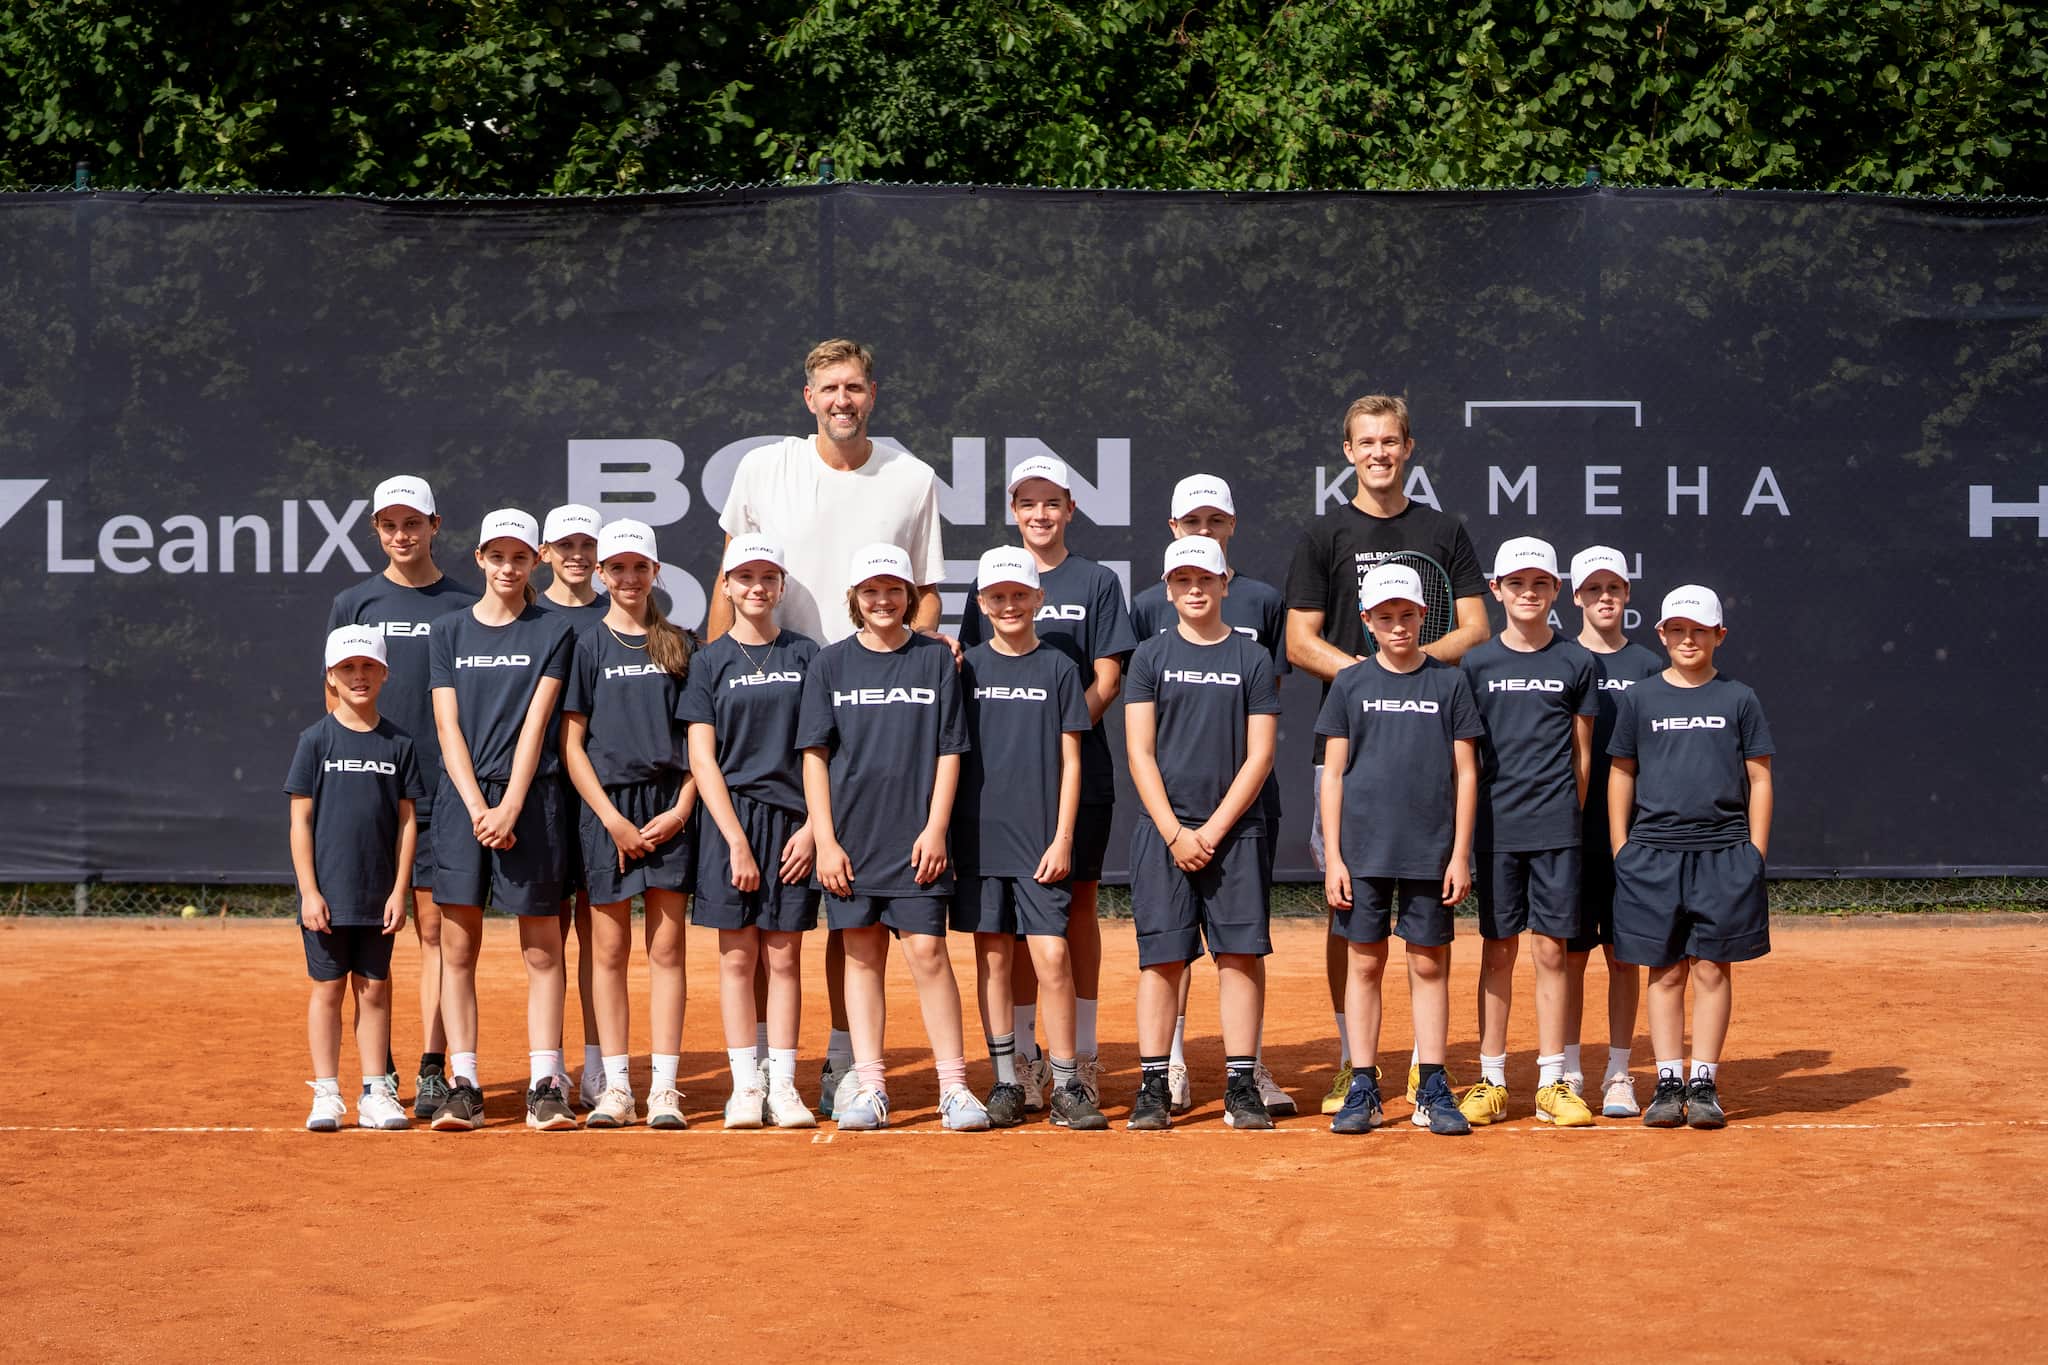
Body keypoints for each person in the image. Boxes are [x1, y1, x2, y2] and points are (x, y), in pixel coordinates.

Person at [712, 338, 947, 1115]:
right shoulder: (762, 468)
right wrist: (715, 681)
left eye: (854, 387)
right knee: (759, 913)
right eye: (828, 388)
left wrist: (911, 662)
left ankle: (844, 1060)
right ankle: (758, 1072)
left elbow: (927, 592)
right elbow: (729, 575)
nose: (842, 399)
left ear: (872, 394)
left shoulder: (912, 477)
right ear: (808, 397)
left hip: (861, 715)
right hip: (766, 705)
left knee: (846, 902)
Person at [1285, 395, 1489, 1112]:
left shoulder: (1443, 529)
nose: (1379, 452)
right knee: (1350, 909)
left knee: (1427, 943)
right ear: (1348, 452)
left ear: (1408, 448)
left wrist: (1411, 670)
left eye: (1390, 440)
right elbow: (1299, 641)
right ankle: (1355, 1062)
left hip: (1428, 748)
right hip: (1347, 746)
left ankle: (1427, 1074)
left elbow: (1475, 625)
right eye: (1366, 442)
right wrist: (1369, 679)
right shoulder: (1324, 533)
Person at [958, 454, 1136, 1112]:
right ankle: (1020, 1064)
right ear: (1014, 509)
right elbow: (969, 671)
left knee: (1072, 909)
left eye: (1052, 501)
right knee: (1004, 934)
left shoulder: (1097, 581)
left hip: (1074, 774)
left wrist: (1054, 730)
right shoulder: (990, 584)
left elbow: (1108, 680)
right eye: (1027, 502)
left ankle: (1078, 1059)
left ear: (1070, 507)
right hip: (1002, 796)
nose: (1040, 513)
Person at [797, 544, 987, 1132]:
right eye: (871, 591)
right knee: (860, 955)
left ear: (910, 597)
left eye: (894, 590)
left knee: (928, 952)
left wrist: (936, 828)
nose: (883, 600)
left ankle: (954, 1088)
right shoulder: (829, 663)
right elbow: (814, 756)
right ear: (855, 598)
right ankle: (872, 1086)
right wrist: (826, 840)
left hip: (916, 840)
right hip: (851, 842)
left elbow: (950, 749)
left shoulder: (936, 661)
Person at [1129, 473, 1290, 1117]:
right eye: (1182, 580)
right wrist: (1174, 832)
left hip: (1235, 832)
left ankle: (1241, 1086)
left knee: (1239, 957)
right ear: (1167, 588)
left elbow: (1261, 754)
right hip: (1163, 833)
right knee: (1163, 960)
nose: (1195, 589)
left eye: (1205, 578)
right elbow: (1140, 752)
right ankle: (1152, 1086)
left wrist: (1214, 830)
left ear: (1225, 582)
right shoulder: (1148, 656)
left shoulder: (1252, 658)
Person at [325, 475, 478, 1120]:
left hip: (442, 795)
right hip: (371, 795)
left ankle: (433, 1068)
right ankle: (377, 1071)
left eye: (413, 522)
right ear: (376, 531)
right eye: (389, 525)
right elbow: (335, 700)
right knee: (370, 931)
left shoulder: (466, 605)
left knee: (435, 931)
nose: (401, 534)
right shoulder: (354, 603)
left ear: (435, 525)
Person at [425, 509, 579, 1132]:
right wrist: (477, 808)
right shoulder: (448, 631)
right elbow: (447, 727)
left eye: (520, 557)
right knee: (457, 950)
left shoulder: (554, 632)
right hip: (463, 805)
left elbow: (537, 724)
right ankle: (464, 1085)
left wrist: (511, 804)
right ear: (480, 559)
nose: (508, 567)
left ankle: (545, 1085)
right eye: (497, 556)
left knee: (542, 949)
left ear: (535, 560)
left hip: (531, 802)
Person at [1316, 564, 1482, 1137]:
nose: (1397, 625)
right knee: (1364, 962)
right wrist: (1335, 858)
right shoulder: (1350, 684)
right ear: (1367, 621)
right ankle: (1363, 1085)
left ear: (1423, 615)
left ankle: (1432, 1085)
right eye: (1385, 617)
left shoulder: (1449, 683)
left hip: (1431, 852)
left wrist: (1459, 854)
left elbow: (1466, 773)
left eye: (1407, 614)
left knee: (1428, 963)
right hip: (1362, 853)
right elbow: (1332, 776)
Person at [1607, 585, 1775, 1131]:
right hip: (1653, 854)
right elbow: (1622, 772)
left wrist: (1754, 852)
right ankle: (1668, 1081)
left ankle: (1704, 1083)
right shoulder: (1640, 698)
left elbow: (1760, 777)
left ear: (1719, 635)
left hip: (1724, 853)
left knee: (1711, 967)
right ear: (1661, 634)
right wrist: (1621, 847)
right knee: (1664, 970)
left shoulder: (1739, 698)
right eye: (1677, 630)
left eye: (1699, 630)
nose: (1687, 639)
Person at [952, 548, 1104, 1130]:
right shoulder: (964, 669)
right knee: (993, 959)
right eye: (997, 596)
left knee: (1052, 956)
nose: (1009, 605)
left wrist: (1063, 837)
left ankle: (1066, 1085)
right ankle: (1007, 1081)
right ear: (981, 603)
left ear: (1039, 598)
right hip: (979, 841)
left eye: (1020, 594)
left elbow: (1073, 761)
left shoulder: (1060, 668)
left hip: (1042, 841)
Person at [1456, 538, 1599, 1129]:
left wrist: (1562, 815)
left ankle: (1550, 1081)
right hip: (1496, 833)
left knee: (1551, 951)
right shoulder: (1476, 665)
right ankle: (1491, 1079)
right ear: (1497, 590)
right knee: (1498, 950)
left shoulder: (1577, 663)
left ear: (1556, 590)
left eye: (1540, 583)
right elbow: (1466, 759)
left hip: (1556, 832)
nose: (1528, 593)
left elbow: (1581, 756)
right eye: (1516, 583)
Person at [561, 519, 698, 1130]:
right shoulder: (585, 646)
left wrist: (682, 809)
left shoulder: (682, 645)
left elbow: (700, 747)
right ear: (601, 574)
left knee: (666, 950)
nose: (629, 577)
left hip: (670, 809)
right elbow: (572, 746)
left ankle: (664, 1089)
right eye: (617, 567)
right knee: (609, 952)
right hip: (607, 814)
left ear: (655, 571)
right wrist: (612, 820)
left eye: (640, 567)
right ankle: (616, 1088)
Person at [681, 535, 822, 1131]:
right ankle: (745, 1087)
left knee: (784, 957)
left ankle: (783, 1086)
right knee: (737, 957)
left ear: (781, 586)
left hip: (792, 824)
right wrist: (735, 840)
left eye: (768, 577)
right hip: (728, 822)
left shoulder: (807, 655)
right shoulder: (708, 660)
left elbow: (823, 749)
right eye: (745, 578)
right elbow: (702, 758)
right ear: (727, 587)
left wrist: (814, 827)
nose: (757, 587)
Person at [287, 625, 423, 1131]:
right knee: (327, 990)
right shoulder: (314, 741)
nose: (358, 676)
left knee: (374, 990)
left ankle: (375, 1092)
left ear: (384, 673)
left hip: (378, 895)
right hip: (327, 896)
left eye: (368, 667)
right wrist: (310, 892)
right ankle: (326, 1093)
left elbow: (407, 822)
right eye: (347, 668)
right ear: (330, 676)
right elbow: (300, 821)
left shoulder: (400, 743)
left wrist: (399, 891)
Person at [1564, 545, 1664, 1117]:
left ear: (1627, 594)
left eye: (1615, 588)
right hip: (1570, 838)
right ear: (1576, 596)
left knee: (1625, 958)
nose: (1605, 598)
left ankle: (1619, 1073)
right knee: (1571, 957)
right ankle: (1569, 1071)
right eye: (1594, 589)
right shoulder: (1557, 659)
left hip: (1634, 838)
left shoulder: (1650, 666)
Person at [537, 501, 609, 1109]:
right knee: (549, 935)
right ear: (545, 554)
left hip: (599, 797)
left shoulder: (618, 617)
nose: (577, 556)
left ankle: (597, 1064)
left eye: (587, 545)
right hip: (543, 797)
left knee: (597, 936)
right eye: (565, 546)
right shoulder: (528, 618)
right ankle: (552, 1067)